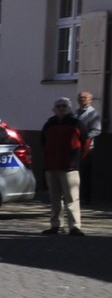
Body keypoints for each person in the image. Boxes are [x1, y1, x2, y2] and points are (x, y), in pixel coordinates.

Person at [39, 97, 85, 236]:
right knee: (54, 199)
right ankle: (56, 225)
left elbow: (86, 142)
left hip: (70, 168)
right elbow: (43, 143)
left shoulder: (76, 123)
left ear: (69, 108)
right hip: (51, 166)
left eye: (64, 106)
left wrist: (76, 159)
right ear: (54, 109)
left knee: (72, 198)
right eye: (58, 106)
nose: (61, 108)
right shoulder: (49, 124)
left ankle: (74, 227)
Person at [76, 89, 100, 204]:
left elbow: (96, 130)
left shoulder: (92, 113)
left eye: (84, 97)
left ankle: (85, 198)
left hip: (86, 148)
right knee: (75, 172)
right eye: (80, 97)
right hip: (75, 147)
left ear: (90, 100)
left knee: (84, 173)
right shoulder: (75, 113)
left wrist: (84, 138)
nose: (82, 99)